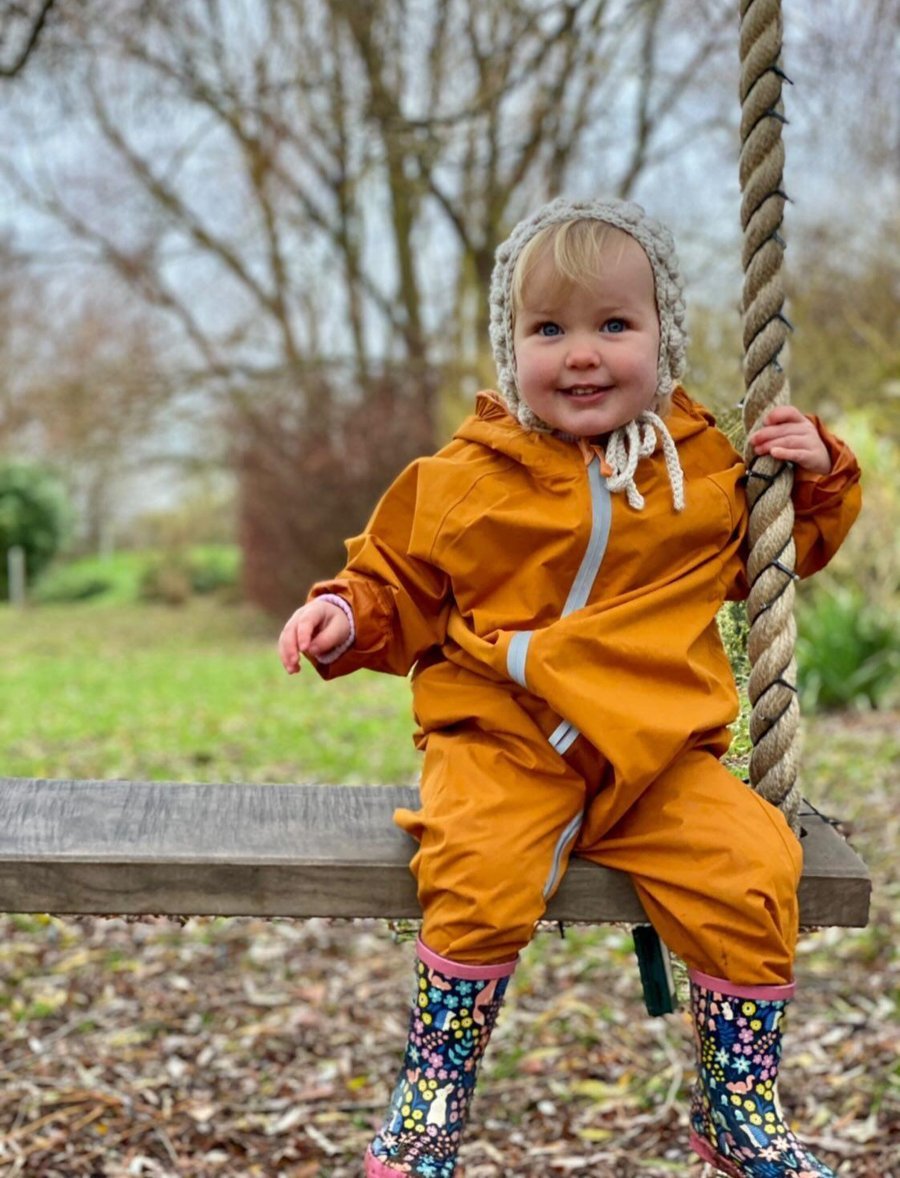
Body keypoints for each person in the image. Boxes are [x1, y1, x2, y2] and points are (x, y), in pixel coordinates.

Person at [278, 197, 861, 1178]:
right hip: (502, 739)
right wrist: (343, 612)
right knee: (475, 868)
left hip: (654, 759)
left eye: (613, 326)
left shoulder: (707, 467)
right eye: (549, 329)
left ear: (663, 336)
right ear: (511, 347)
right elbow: (396, 580)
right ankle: (430, 1095)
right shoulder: (464, 476)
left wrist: (817, 474)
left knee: (755, 862)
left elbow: (791, 547)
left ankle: (739, 1099)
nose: (581, 354)